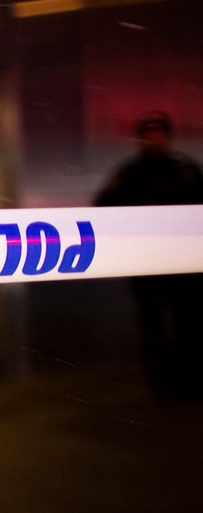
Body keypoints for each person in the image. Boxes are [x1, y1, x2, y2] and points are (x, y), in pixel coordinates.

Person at [95, 111, 203, 401]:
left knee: (189, 325)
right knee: (152, 326)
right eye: (149, 133)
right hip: (148, 269)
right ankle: (161, 387)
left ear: (167, 136)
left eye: (160, 132)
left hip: (186, 269)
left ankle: (190, 384)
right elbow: (104, 210)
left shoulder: (186, 170)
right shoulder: (129, 174)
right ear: (141, 138)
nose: (155, 138)